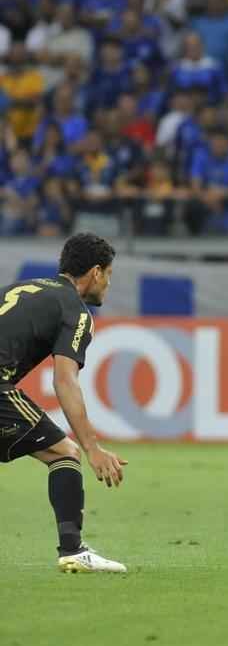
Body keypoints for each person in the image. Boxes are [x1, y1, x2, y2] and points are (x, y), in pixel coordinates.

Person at [0, 233, 128, 573]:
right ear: (96, 272)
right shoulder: (75, 309)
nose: (108, 285)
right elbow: (64, 380)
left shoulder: (22, 288)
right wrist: (93, 447)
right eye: (110, 275)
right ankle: (73, 550)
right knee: (65, 453)